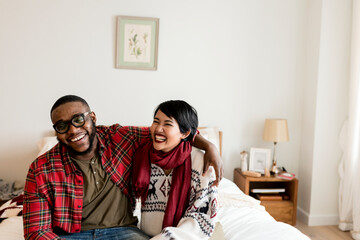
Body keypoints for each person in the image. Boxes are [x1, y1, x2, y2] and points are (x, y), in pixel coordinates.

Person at [23, 95, 223, 240]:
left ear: (92, 117)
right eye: (62, 126)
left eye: (78, 120)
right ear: (56, 131)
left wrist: (209, 146)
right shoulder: (41, 169)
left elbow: (169, 133)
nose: (73, 130)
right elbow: (36, 231)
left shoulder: (121, 138)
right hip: (71, 236)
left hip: (123, 232)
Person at [132, 100, 218, 239]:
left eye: (167, 124)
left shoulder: (200, 162)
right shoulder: (141, 155)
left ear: (185, 133)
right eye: (156, 121)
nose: (158, 129)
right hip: (140, 235)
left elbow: (201, 217)